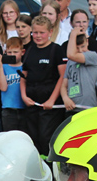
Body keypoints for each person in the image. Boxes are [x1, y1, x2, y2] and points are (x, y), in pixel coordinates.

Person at [20, 15, 64, 156]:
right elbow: (23, 76)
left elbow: (63, 77)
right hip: (31, 103)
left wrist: (51, 100)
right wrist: (24, 96)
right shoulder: (29, 51)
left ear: (50, 32)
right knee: (33, 138)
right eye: (35, 32)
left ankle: (50, 170)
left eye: (42, 32)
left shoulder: (56, 50)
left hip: (49, 105)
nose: (38, 36)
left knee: (46, 137)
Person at [61, 25, 97, 111]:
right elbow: (64, 85)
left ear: (87, 42)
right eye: (76, 48)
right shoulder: (70, 62)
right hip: (72, 106)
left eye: (83, 46)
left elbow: (70, 55)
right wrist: (65, 98)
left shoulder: (92, 55)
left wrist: (73, 34)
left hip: (88, 106)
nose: (80, 50)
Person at [0, 36, 25, 132]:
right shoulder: (3, 67)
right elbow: (3, 87)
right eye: (9, 52)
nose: (12, 55)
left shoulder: (25, 67)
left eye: (15, 52)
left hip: (24, 108)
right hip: (8, 108)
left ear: (22, 52)